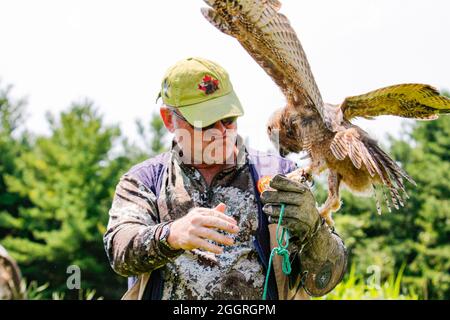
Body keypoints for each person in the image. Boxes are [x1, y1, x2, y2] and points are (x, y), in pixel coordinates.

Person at [103, 57, 348, 300]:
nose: (221, 131)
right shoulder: (146, 180)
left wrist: (314, 231)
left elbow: (323, 281)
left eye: (228, 120)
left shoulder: (280, 174)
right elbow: (119, 250)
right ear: (169, 119)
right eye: (205, 122)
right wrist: (172, 235)